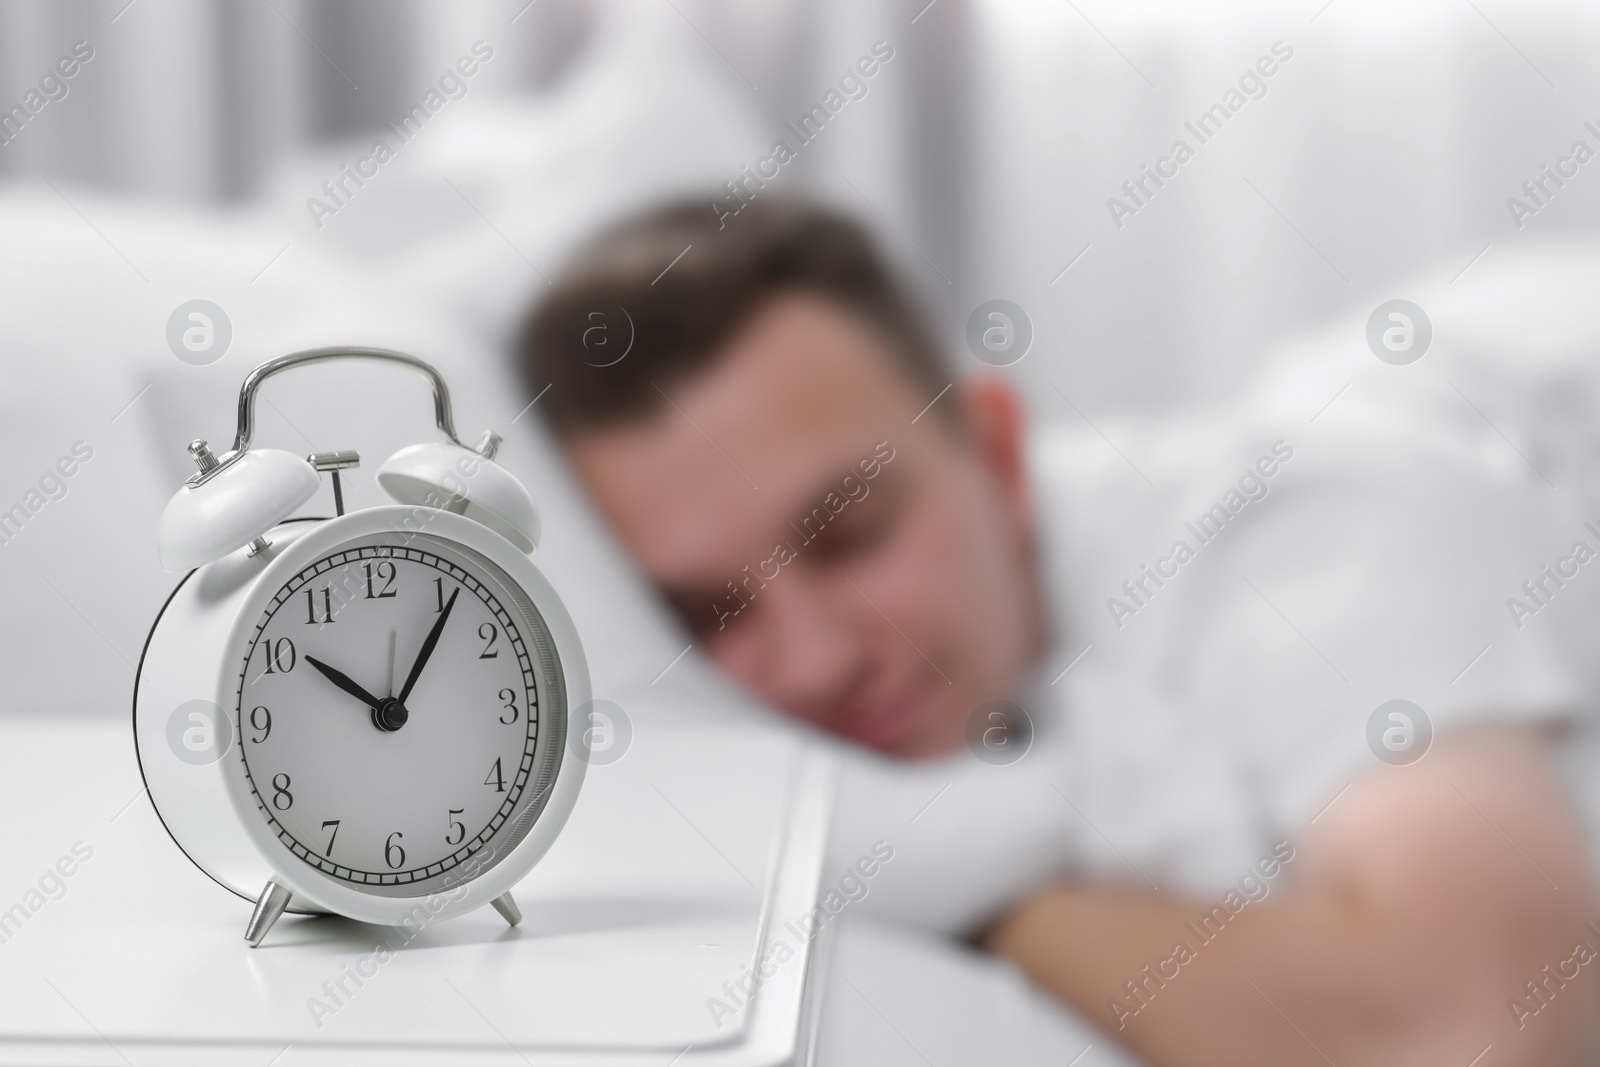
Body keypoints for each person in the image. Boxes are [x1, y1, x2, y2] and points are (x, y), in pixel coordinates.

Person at [515, 198, 1600, 1065]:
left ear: (994, 449)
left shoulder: (1297, 538)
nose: (813, 660)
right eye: (713, 610)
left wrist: (968, 897)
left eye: (851, 533)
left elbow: (1482, 1024)